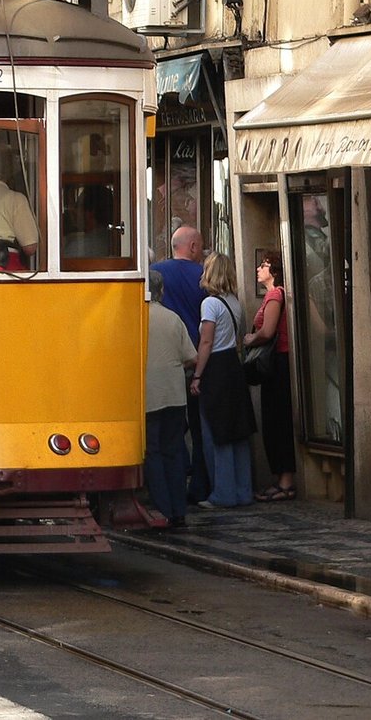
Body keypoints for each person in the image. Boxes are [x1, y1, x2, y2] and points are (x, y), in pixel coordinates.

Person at [190, 252, 256, 509]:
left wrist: (197, 374)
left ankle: (223, 493)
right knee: (237, 431)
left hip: (215, 367)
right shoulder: (235, 302)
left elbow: (206, 341)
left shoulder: (210, 304)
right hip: (233, 365)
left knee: (216, 433)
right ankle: (243, 490)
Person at [154, 225, 210, 504]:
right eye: (199, 246)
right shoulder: (202, 276)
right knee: (199, 428)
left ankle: (165, 492)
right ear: (191, 247)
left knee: (168, 432)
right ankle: (198, 485)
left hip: (165, 362)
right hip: (197, 358)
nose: (201, 251)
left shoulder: (156, 272)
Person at [145, 270, 196, 528]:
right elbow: (191, 356)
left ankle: (161, 510)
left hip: (148, 395)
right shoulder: (173, 318)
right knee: (175, 451)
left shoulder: (136, 317)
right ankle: (179, 511)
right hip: (175, 395)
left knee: (153, 452)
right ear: (161, 291)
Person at [245, 252, 295, 502]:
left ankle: (285, 482)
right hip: (279, 363)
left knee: (277, 421)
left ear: (273, 270)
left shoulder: (276, 294)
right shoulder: (276, 294)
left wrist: (249, 339)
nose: (258, 268)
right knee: (275, 421)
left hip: (277, 363)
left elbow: (267, 332)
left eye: (263, 265)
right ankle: (281, 479)